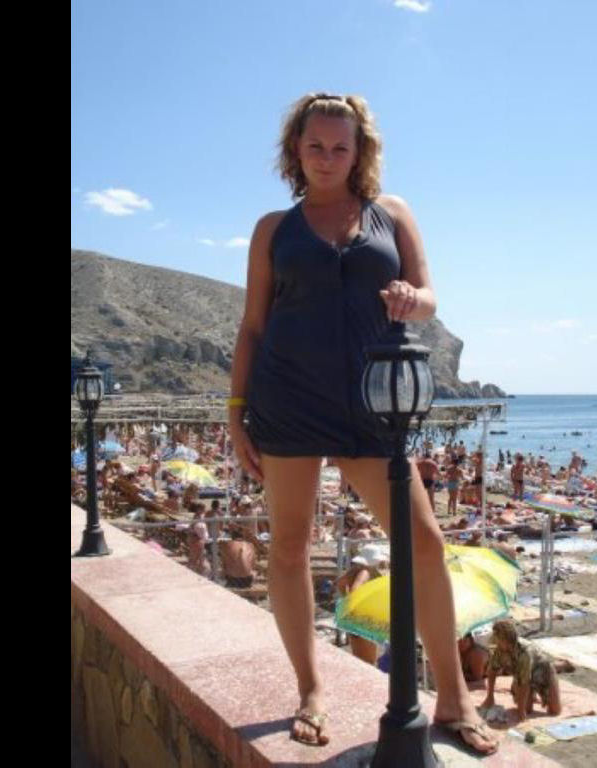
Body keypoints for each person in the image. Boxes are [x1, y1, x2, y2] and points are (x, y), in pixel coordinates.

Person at [228, 92, 497, 753]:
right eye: (315, 146)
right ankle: (310, 691)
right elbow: (254, 325)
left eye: (339, 147)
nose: (327, 157)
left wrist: (411, 297)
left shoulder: (392, 213)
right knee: (289, 547)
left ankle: (454, 698)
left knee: (424, 543)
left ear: (359, 153)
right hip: (288, 400)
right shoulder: (273, 229)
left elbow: (429, 295)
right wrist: (235, 414)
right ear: (296, 151)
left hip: (375, 404)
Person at [482, 619, 561, 721]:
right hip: (519, 672)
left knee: (555, 711)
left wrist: (521, 710)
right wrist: (490, 696)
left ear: (506, 640)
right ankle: (531, 695)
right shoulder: (497, 646)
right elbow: (492, 670)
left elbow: (524, 683)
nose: (495, 641)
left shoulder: (525, 652)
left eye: (498, 638)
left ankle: (559, 665)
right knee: (527, 709)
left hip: (541, 670)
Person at [334, 545, 388, 665]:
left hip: (356, 618)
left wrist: (346, 599)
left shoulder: (355, 570)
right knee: (369, 661)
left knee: (361, 658)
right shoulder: (365, 572)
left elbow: (340, 583)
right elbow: (355, 589)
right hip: (363, 619)